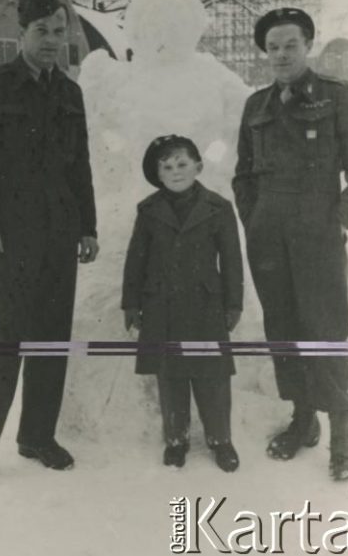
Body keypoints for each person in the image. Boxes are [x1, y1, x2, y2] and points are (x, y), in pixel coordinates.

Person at [0, 0, 99, 489]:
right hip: (11, 232)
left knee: (51, 339)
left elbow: (79, 164)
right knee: (4, 340)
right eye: (42, 32)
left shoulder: (69, 92)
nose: (52, 41)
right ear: (23, 34)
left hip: (61, 230)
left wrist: (88, 226)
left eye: (60, 32)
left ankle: (37, 436)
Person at [233, 7, 348, 481]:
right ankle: (303, 418)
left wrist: (340, 219)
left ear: (307, 45)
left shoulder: (339, 97)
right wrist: (253, 219)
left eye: (291, 45)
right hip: (268, 233)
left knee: (325, 328)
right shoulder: (256, 106)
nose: (282, 54)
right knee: (283, 326)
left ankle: (342, 433)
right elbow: (243, 174)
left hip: (317, 231)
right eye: (273, 47)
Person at [121, 135, 243, 471]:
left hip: (206, 305)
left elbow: (232, 259)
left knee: (212, 375)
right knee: (170, 373)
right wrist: (131, 303)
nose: (175, 172)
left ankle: (221, 440)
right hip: (162, 305)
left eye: (182, 164)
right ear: (158, 175)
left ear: (198, 167)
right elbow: (136, 259)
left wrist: (234, 304)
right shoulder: (148, 211)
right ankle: (176, 440)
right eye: (167, 167)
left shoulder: (218, 207)